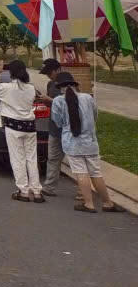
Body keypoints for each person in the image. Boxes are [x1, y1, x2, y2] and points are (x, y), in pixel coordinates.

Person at [51, 71, 123, 213]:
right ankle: (107, 202)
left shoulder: (58, 101)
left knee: (81, 173)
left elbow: (58, 122)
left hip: (72, 144)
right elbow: (95, 116)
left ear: (60, 87)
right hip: (90, 143)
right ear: (75, 85)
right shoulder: (88, 98)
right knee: (96, 173)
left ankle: (89, 204)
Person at [0, 60, 42, 202]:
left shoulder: (7, 88)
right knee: (32, 159)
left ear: (11, 72)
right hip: (30, 127)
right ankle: (36, 191)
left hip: (13, 126)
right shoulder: (31, 88)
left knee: (18, 159)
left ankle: (23, 191)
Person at [37, 59, 67, 196]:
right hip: (54, 127)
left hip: (69, 129)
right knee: (53, 157)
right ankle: (49, 187)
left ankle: (82, 190)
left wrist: (50, 100)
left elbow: (69, 104)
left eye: (50, 72)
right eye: (47, 73)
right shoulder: (50, 84)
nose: (49, 76)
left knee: (76, 160)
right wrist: (44, 100)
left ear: (58, 69)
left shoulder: (69, 84)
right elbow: (52, 105)